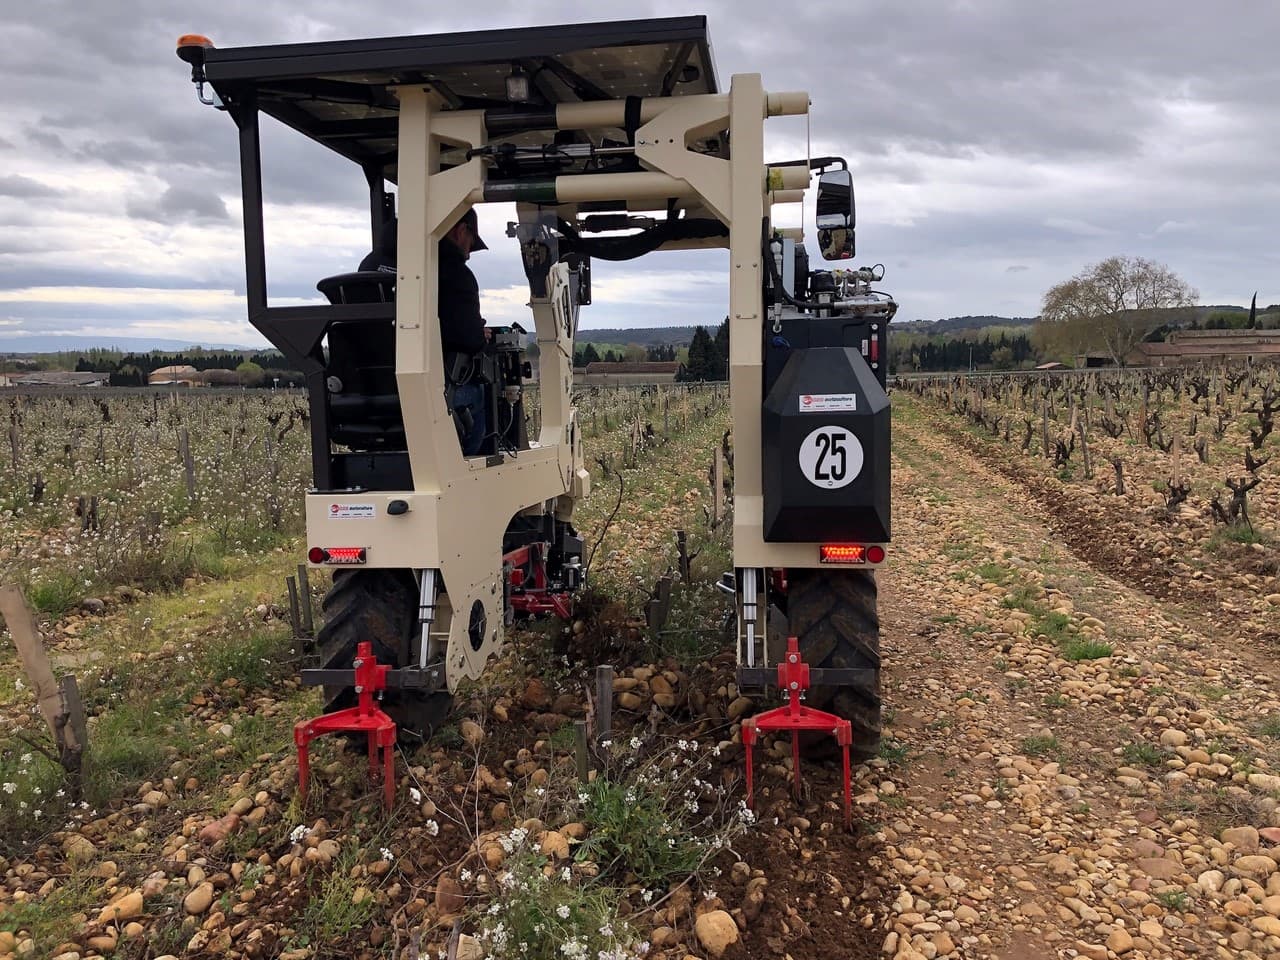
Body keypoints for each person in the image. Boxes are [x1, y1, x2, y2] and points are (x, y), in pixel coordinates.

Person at [360, 208, 491, 455]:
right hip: (429, 396)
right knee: (483, 394)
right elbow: (469, 339)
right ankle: (469, 468)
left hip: (365, 395)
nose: (469, 253)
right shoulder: (453, 272)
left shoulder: (369, 264)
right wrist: (478, 333)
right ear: (461, 230)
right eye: (471, 243)